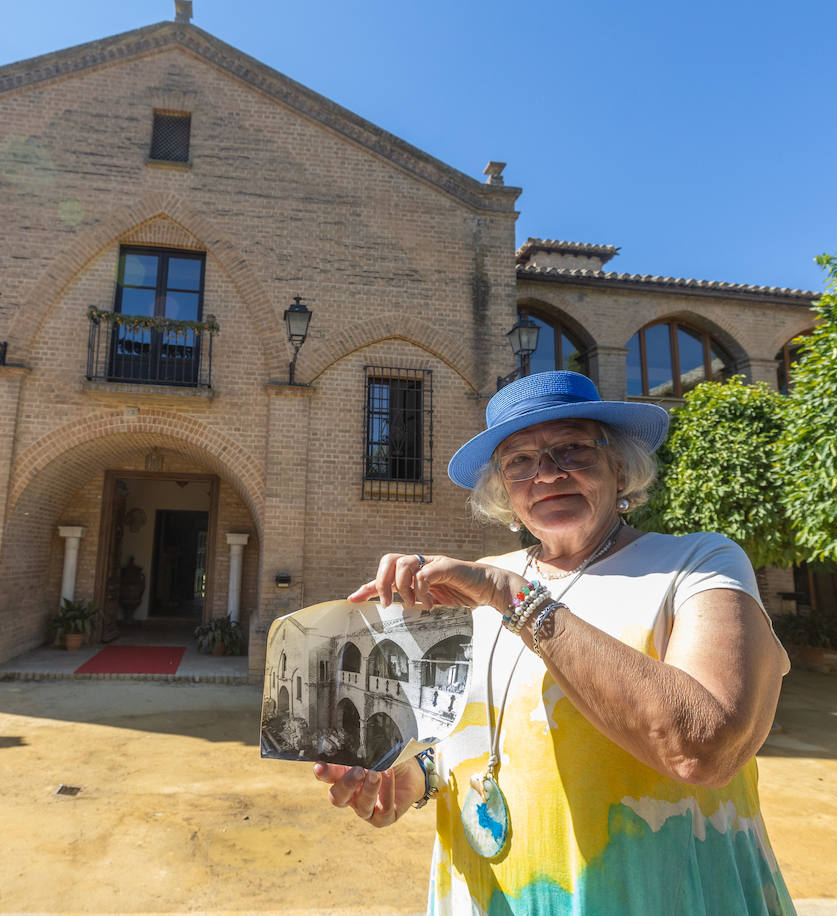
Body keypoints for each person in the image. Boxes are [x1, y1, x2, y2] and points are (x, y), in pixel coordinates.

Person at [314, 370, 795, 915]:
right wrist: (413, 779)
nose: (545, 474)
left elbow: (705, 748)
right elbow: (475, 739)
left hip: (656, 893)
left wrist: (516, 599)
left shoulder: (697, 562)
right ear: (502, 487)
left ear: (619, 465)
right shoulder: (481, 582)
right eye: (519, 461)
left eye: (571, 449)